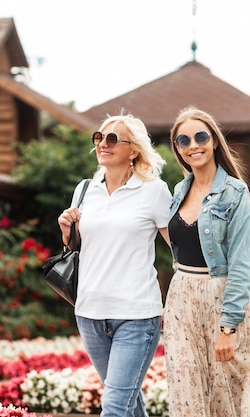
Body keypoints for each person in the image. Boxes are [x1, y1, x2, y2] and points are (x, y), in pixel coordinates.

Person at [163, 106, 250, 417]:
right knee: (188, 394)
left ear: (213, 141)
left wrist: (228, 327)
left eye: (200, 136)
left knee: (239, 396)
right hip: (181, 302)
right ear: (178, 149)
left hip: (221, 301)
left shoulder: (234, 193)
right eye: (183, 141)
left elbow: (241, 266)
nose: (193, 145)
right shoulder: (178, 192)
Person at [57, 112, 172, 417]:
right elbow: (79, 249)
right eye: (99, 137)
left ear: (134, 150)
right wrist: (67, 230)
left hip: (136, 316)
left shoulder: (154, 191)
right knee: (128, 403)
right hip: (89, 312)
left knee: (114, 406)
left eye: (111, 139)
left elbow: (179, 248)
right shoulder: (85, 189)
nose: (102, 144)